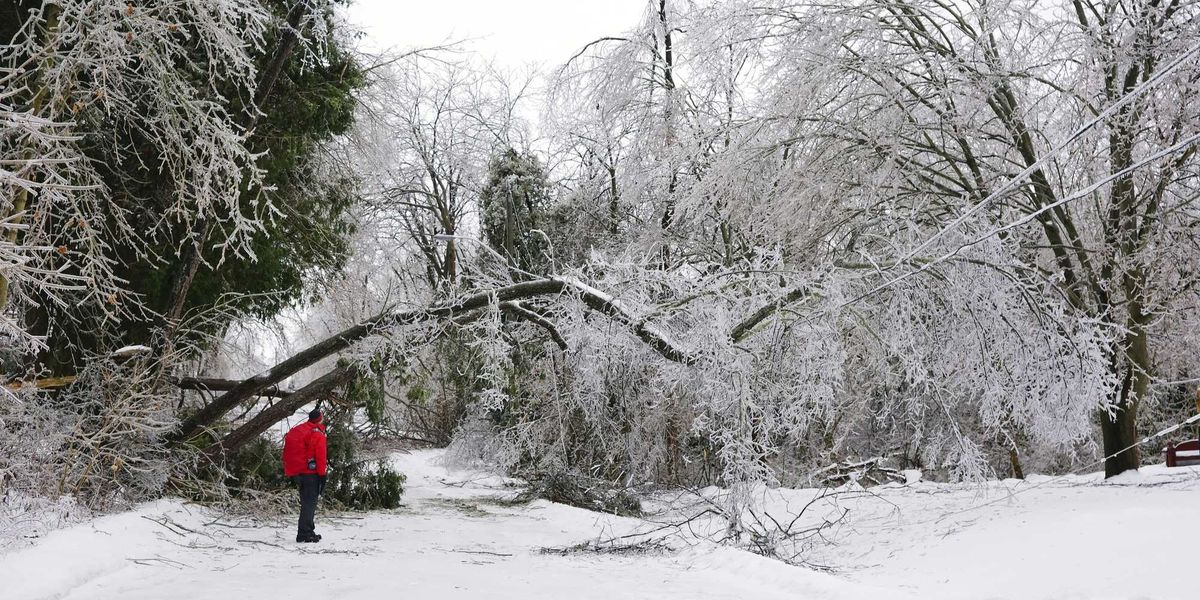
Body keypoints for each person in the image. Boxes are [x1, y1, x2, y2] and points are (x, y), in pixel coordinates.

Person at [282, 408, 327, 543]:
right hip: (311, 474)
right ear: (319, 418)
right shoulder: (317, 434)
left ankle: (307, 530)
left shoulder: (301, 429)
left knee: (306, 502)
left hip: (299, 472)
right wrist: (322, 474)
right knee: (309, 503)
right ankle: (305, 533)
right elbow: (320, 456)